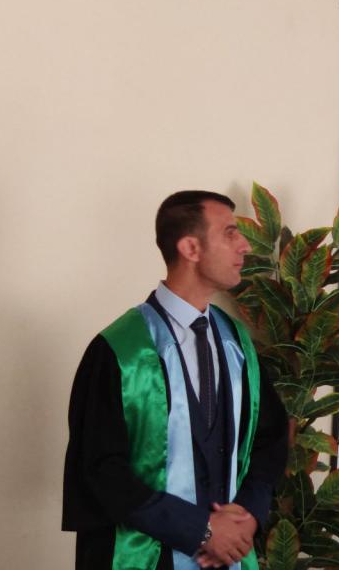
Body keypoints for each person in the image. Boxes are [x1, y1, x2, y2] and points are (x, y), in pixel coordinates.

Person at [62, 191, 288, 569]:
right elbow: (100, 468)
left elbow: (271, 436)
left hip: (230, 556)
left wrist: (248, 513)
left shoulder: (236, 343)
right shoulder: (120, 351)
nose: (245, 245)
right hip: (147, 556)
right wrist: (201, 530)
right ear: (190, 248)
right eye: (230, 232)